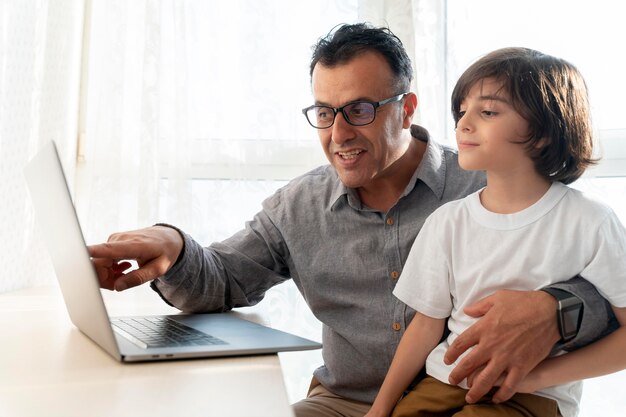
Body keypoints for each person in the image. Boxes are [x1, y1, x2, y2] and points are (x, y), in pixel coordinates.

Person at [87, 24, 616, 417]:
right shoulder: (299, 206)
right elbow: (224, 279)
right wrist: (172, 246)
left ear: (406, 108)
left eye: (360, 110)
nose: (338, 132)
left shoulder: (487, 182)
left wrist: (557, 308)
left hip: (485, 400)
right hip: (345, 404)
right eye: (324, 111)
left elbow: (591, 270)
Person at [365, 47, 626, 417]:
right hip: (444, 382)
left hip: (529, 398)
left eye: (487, 112)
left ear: (543, 132)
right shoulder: (448, 222)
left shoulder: (590, 222)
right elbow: (425, 326)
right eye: (462, 111)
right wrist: (380, 409)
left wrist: (537, 377)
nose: (463, 124)